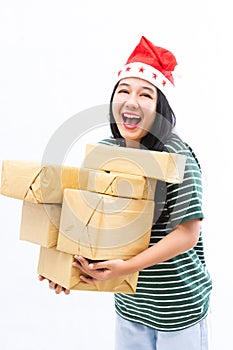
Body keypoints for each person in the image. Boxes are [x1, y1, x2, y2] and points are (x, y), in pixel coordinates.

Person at [39, 36, 212, 350]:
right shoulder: (105, 152)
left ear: (160, 108)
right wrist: (64, 268)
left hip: (179, 309)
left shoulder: (176, 155)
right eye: (124, 91)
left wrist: (127, 266)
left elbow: (187, 233)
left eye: (145, 94)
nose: (132, 101)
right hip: (130, 305)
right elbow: (88, 221)